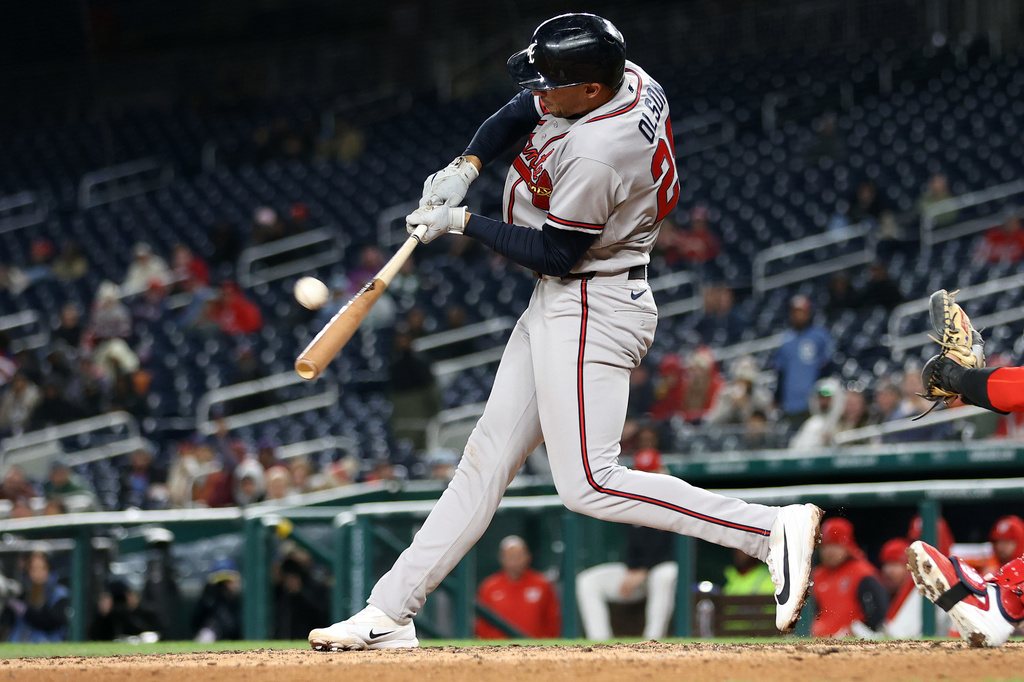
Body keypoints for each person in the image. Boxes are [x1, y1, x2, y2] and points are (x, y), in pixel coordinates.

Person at [307, 12, 823, 652]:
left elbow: (555, 253)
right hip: (570, 300)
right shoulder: (622, 76)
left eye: (553, 84)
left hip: (592, 300)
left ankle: (766, 530)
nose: (539, 92)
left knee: (589, 483)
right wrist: (469, 162)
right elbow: (523, 110)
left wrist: (462, 221)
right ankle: (390, 611)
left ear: (588, 91)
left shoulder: (600, 152)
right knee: (484, 462)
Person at [576, 450, 678, 641]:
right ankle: (599, 641)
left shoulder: (675, 496)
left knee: (665, 574)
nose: (648, 478)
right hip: (637, 574)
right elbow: (632, 546)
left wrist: (644, 570)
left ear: (662, 471)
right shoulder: (631, 499)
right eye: (643, 472)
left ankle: (652, 641)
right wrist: (634, 569)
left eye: (652, 472)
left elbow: (671, 548)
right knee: (587, 581)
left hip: (662, 573)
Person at [810, 518, 888, 638]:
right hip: (820, 640)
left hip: (851, 642)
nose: (829, 551)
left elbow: (879, 613)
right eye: (826, 546)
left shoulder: (861, 572)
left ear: (847, 545)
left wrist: (857, 631)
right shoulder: (817, 574)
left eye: (836, 545)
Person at [475, 535, 560, 639]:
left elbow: (552, 620)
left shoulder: (542, 584)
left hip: (534, 649)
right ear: (502, 558)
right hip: (499, 650)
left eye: (518, 556)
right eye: (510, 556)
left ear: (528, 556)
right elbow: (482, 624)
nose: (515, 561)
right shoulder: (489, 586)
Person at [772, 295, 834, 425]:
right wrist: (777, 399)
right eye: (795, 312)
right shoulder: (785, 340)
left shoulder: (819, 337)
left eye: (802, 312)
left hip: (811, 403)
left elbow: (827, 367)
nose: (799, 316)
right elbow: (781, 372)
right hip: (790, 403)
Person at [877, 537, 952, 639]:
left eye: (895, 564)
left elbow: (901, 635)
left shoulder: (923, 589)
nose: (888, 571)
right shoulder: (887, 592)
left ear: (910, 567)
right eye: (886, 564)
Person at [4, 551, 69, 643]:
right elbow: (8, 622)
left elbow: (50, 623)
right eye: (34, 569)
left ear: (48, 569)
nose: (38, 573)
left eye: (42, 568)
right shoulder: (24, 593)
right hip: (23, 643)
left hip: (50, 643)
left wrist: (25, 611)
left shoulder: (58, 593)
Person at [191, 559, 243, 643]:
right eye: (221, 583)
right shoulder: (209, 599)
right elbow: (195, 622)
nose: (224, 586)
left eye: (227, 582)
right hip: (211, 636)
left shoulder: (239, 600)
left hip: (236, 638)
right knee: (207, 635)